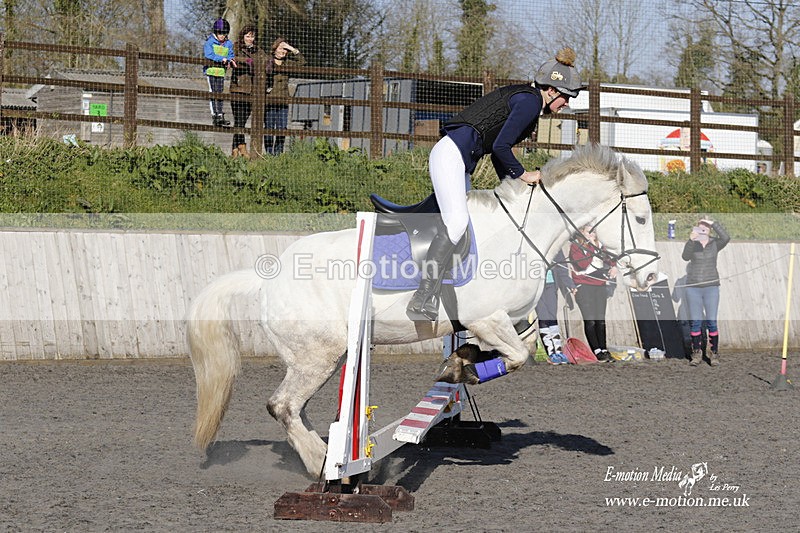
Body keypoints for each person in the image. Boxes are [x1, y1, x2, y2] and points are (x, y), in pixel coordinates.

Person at [407, 47, 585, 321]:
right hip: (451, 155)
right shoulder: (528, 102)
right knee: (456, 224)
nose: (567, 104)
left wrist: (515, 190)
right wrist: (524, 175)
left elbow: (501, 153)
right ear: (551, 91)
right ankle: (422, 296)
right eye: (566, 97)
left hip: (460, 159)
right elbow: (502, 148)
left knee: (466, 225)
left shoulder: (528, 102)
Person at [682, 218, 730, 366]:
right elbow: (685, 257)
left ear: (710, 229)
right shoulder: (693, 243)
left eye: (706, 226)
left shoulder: (715, 243)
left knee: (712, 322)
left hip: (711, 287)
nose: (703, 228)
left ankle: (714, 353)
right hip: (693, 287)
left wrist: (713, 222)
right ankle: (696, 353)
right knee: (696, 322)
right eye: (701, 226)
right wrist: (690, 241)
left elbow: (726, 237)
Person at [570, 224, 617, 362]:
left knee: (600, 320)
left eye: (593, 232)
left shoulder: (599, 246)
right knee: (590, 320)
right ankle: (596, 349)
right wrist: (593, 249)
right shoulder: (576, 247)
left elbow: (611, 258)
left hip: (599, 285)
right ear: (582, 233)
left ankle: (603, 348)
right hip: (584, 286)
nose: (592, 234)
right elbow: (582, 264)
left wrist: (613, 266)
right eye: (589, 232)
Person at [264, 36, 305, 154]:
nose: (283, 51)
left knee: (282, 128)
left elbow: (302, 62)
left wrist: (291, 48)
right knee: (269, 128)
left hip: (283, 100)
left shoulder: (288, 63)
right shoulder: (267, 61)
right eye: (281, 48)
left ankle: (278, 153)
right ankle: (269, 153)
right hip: (269, 100)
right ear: (275, 49)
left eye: (285, 50)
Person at [536, 250, 577, 364]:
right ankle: (551, 352)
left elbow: (562, 268)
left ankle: (558, 351)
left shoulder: (557, 249)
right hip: (537, 285)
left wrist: (570, 285)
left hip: (551, 284)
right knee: (543, 316)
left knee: (552, 316)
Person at [229, 24, 260, 157]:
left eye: (252, 36)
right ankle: (242, 147)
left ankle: (235, 150)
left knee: (241, 121)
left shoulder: (257, 50)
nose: (250, 39)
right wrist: (249, 61)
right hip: (238, 88)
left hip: (252, 91)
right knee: (239, 120)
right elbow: (234, 59)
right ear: (243, 36)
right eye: (248, 36)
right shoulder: (236, 47)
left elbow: (264, 60)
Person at [203, 18, 236, 128]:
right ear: (216, 32)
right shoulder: (210, 42)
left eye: (224, 33)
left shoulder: (228, 44)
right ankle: (215, 115)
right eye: (220, 33)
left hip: (221, 72)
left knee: (220, 93)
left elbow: (231, 54)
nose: (222, 35)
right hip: (211, 71)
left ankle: (220, 114)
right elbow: (209, 55)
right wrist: (221, 59)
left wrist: (231, 60)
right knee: (213, 93)